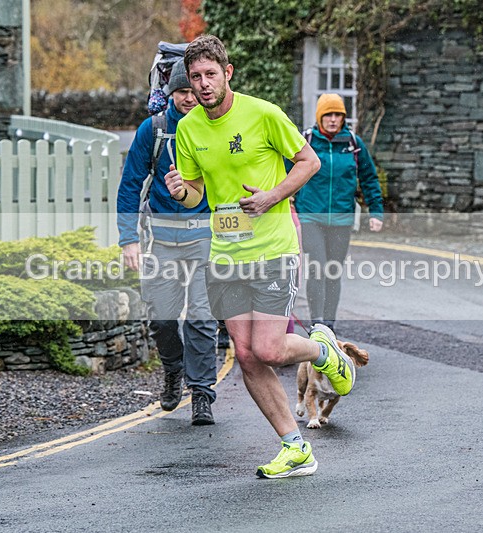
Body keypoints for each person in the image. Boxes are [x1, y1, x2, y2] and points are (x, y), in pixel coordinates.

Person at [164, 34, 358, 478]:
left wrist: (272, 196)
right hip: (226, 254)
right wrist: (183, 191)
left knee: (269, 349)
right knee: (247, 356)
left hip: (272, 249)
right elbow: (196, 195)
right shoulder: (189, 129)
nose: (203, 84)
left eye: (211, 74)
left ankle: (324, 351)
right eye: (195, 78)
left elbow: (308, 162)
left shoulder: (263, 113)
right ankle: (295, 447)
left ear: (227, 73)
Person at [117, 61, 218, 426]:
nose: (190, 98)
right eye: (183, 91)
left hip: (205, 237)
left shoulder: (214, 126)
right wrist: (129, 239)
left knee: (202, 318)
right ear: (171, 93)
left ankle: (203, 393)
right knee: (161, 318)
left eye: (194, 91)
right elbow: (130, 184)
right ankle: (174, 370)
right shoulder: (154, 129)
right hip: (160, 238)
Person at [294, 93, 385, 333]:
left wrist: (376, 211)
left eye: (338, 115)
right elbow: (285, 172)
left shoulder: (353, 144)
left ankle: (329, 324)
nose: (333, 120)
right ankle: (316, 322)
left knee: (333, 271)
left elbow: (369, 178)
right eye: (328, 115)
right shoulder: (307, 140)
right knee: (318, 266)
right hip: (310, 215)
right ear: (319, 117)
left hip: (342, 218)